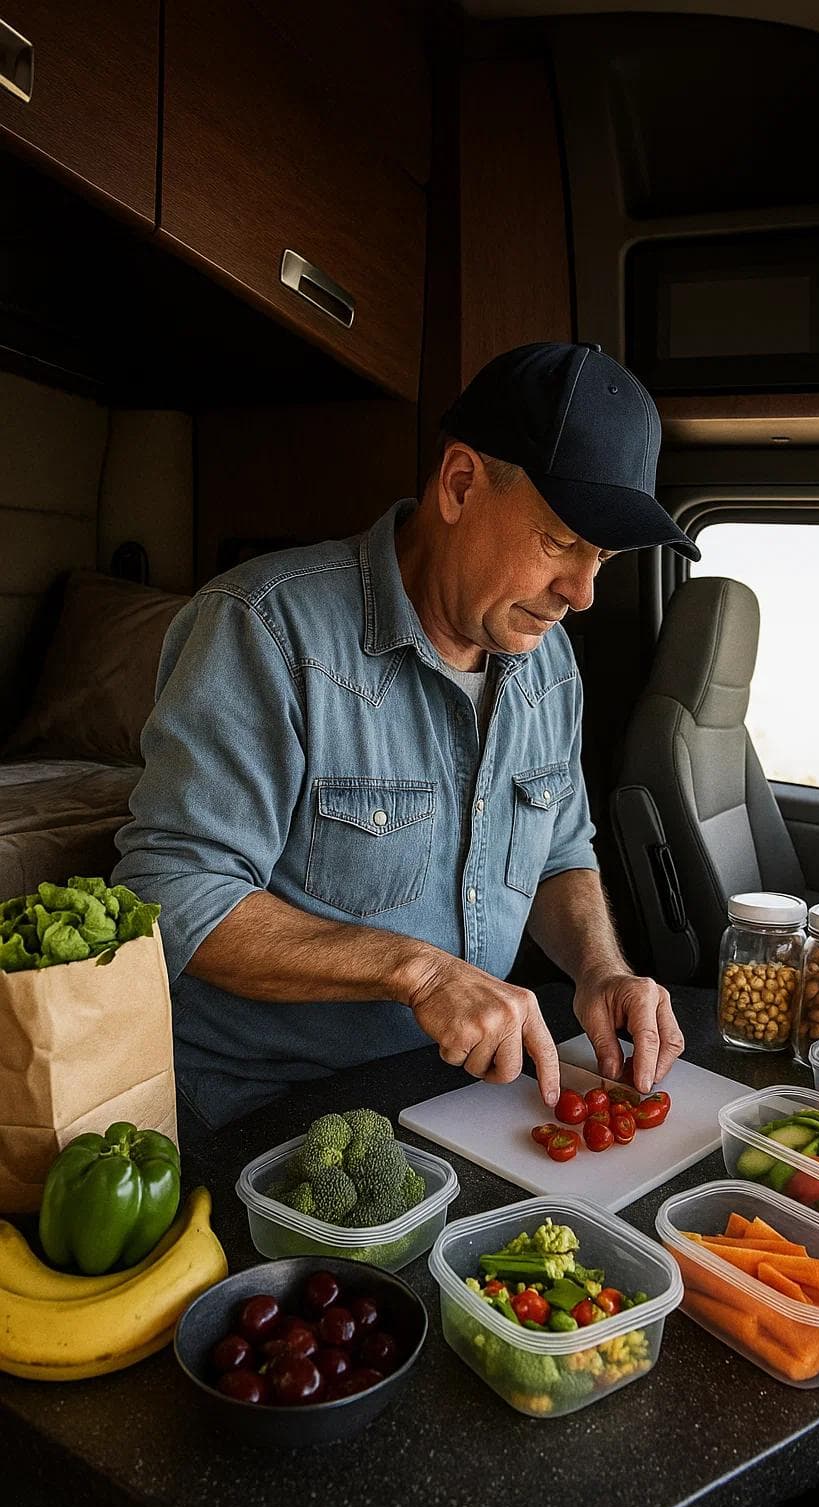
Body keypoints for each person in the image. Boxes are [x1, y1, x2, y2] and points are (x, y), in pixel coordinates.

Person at [113, 341, 701, 1129]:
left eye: (603, 557)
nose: (583, 593)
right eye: (560, 541)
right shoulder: (264, 628)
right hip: (265, 1109)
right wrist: (420, 974)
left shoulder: (551, 663)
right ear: (460, 484)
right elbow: (171, 895)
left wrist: (600, 968)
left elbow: (559, 851)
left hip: (456, 1100)